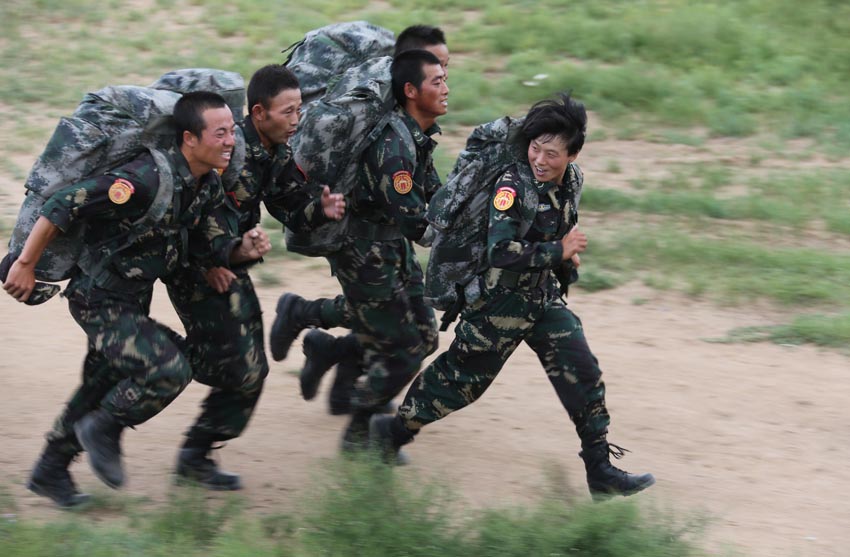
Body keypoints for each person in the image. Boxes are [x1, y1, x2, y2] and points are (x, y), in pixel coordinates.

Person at [370, 94, 656, 499]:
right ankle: (393, 432)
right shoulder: (512, 185)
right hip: (496, 307)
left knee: (582, 372)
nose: (540, 159)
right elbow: (499, 251)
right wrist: (559, 251)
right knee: (459, 382)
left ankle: (600, 470)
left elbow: (554, 230)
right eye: (535, 147)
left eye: (552, 153)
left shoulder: (571, 181)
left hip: (540, 299)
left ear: (573, 155)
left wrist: (563, 264)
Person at [3, 91, 271, 508]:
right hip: (99, 298)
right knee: (167, 368)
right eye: (219, 133)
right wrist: (25, 263)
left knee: (103, 380)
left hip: (131, 298)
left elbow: (206, 244)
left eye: (232, 132)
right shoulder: (144, 179)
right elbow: (63, 203)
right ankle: (106, 428)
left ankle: (50, 470)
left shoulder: (204, 185)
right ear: (189, 139)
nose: (230, 141)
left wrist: (242, 251)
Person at [163, 65, 345, 490]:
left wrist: (319, 208)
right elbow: (189, 212)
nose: (297, 119)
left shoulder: (273, 151)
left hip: (229, 262)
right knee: (238, 367)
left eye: (300, 109)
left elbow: (286, 204)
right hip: (199, 268)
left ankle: (196, 452)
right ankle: (144, 414)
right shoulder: (228, 151)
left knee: (248, 369)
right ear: (259, 112)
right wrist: (210, 261)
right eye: (288, 111)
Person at [270, 24, 450, 416]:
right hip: (360, 239)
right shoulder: (386, 128)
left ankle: (332, 355)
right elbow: (416, 217)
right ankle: (364, 432)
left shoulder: (408, 118)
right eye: (438, 69)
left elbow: (427, 185)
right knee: (401, 341)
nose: (447, 78)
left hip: (386, 235)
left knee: (420, 333)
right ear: (409, 74)